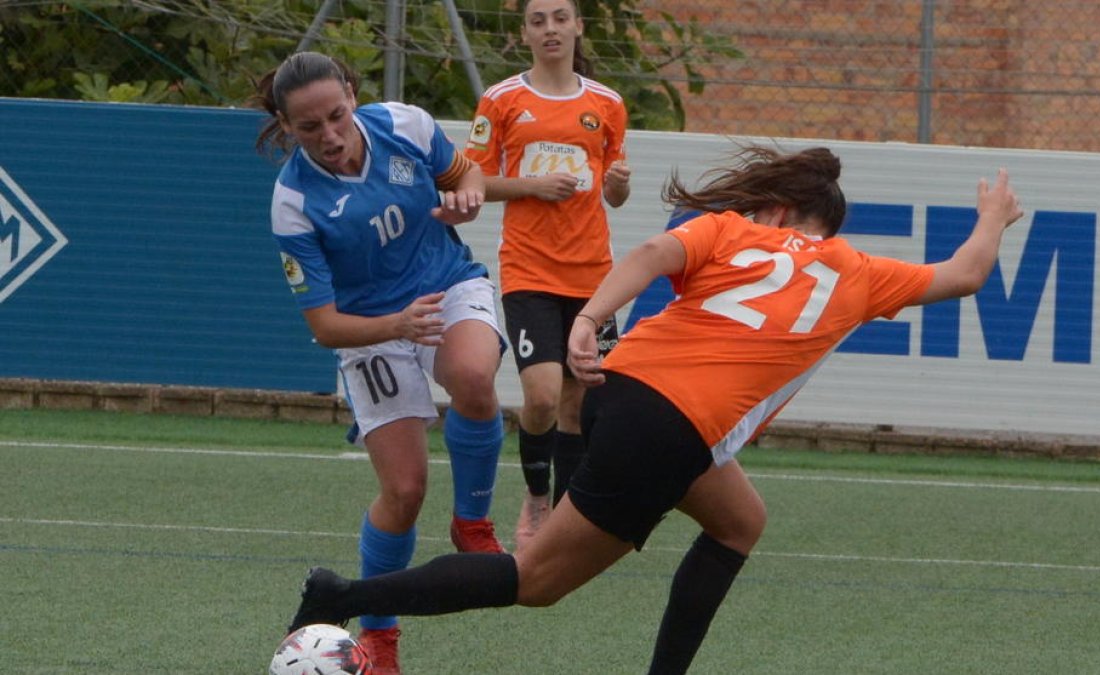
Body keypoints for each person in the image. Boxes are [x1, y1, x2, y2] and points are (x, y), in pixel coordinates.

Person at [281, 145, 1024, 674]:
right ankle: (342, 596)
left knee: (741, 519)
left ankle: (575, 492)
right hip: (672, 428)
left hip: (618, 386)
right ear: (816, 220)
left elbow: (648, 259)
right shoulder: (856, 269)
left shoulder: (730, 231)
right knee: (535, 581)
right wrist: (993, 214)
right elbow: (967, 272)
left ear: (775, 209)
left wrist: (587, 319)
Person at [253, 51, 509, 674]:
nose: (330, 136)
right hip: (369, 330)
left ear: (351, 91)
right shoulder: (292, 202)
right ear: (286, 127)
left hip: (445, 285)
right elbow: (324, 326)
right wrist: (394, 327)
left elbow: (466, 174)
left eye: (337, 116)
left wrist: (469, 196)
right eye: (309, 128)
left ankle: (473, 523)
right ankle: (381, 641)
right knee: (403, 490)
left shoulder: (407, 125)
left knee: (474, 377)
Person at [464, 0, 631, 550]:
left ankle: (567, 518)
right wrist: (532, 186)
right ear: (526, 33)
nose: (550, 28)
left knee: (581, 402)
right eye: (539, 20)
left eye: (560, 17)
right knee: (540, 396)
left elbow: (613, 192)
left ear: (578, 26)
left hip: (592, 276)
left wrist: (619, 185)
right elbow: (472, 182)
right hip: (529, 269)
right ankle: (536, 499)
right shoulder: (502, 99)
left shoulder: (607, 103)